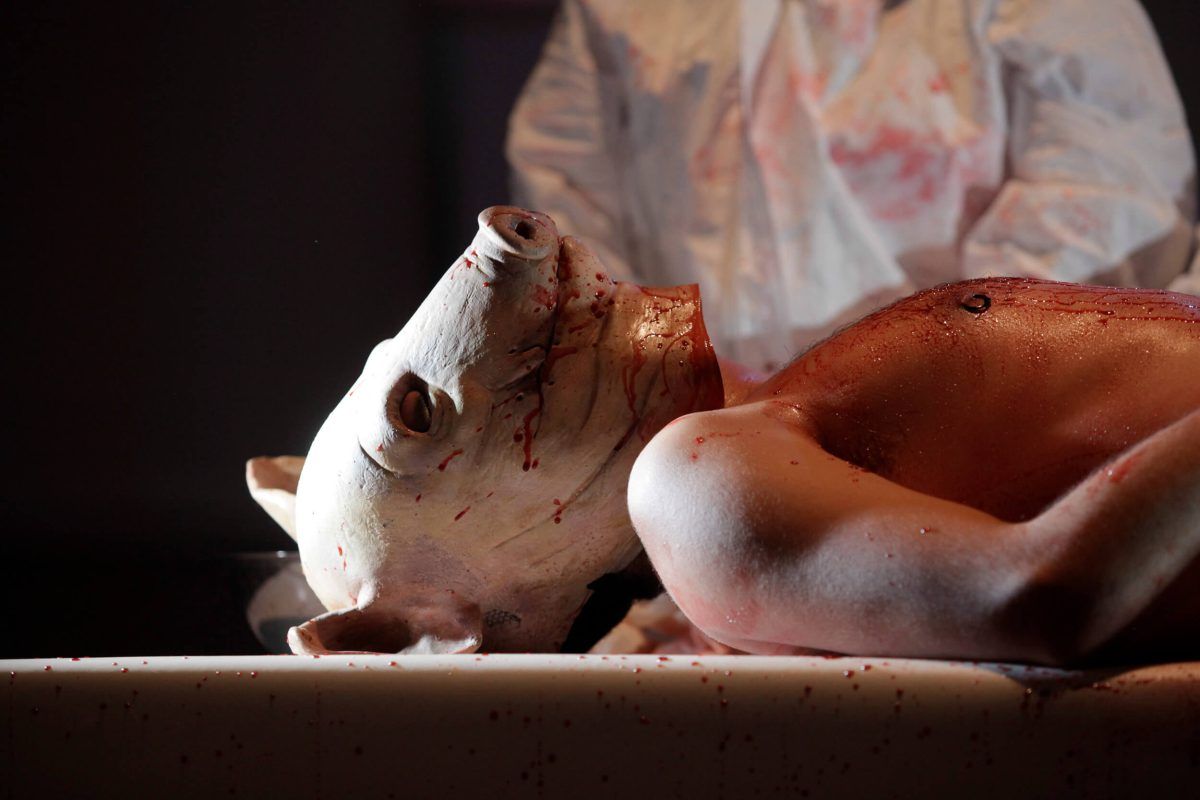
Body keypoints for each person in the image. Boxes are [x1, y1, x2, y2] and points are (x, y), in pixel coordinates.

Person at [248, 207, 1200, 665]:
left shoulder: (758, 441)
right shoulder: (687, 487)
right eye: (419, 415)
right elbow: (1042, 594)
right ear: (444, 618)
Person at [508, 0, 1197, 373]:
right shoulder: (618, 11)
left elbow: (1109, 197)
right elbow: (567, 193)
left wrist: (912, 371)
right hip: (693, 431)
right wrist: (660, 372)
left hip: (972, 416)